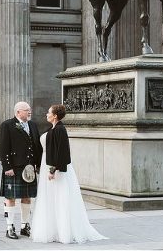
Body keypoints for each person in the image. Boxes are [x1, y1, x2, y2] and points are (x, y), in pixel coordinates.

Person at [31, 104, 106, 244]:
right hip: (47, 165)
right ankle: (54, 230)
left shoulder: (60, 129)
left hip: (56, 169)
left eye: (48, 112)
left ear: (55, 115)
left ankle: (64, 231)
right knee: (51, 199)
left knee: (60, 198)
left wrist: (53, 170)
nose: (46, 114)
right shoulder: (53, 128)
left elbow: (62, 152)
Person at [0, 101, 43, 240]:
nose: (29, 112)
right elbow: (3, 147)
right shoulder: (7, 125)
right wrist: (7, 167)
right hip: (14, 167)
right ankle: (9, 227)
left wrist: (38, 164)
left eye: (29, 110)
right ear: (18, 112)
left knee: (27, 197)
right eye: (26, 110)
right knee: (10, 197)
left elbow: (37, 146)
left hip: (29, 167)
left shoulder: (33, 125)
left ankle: (25, 226)